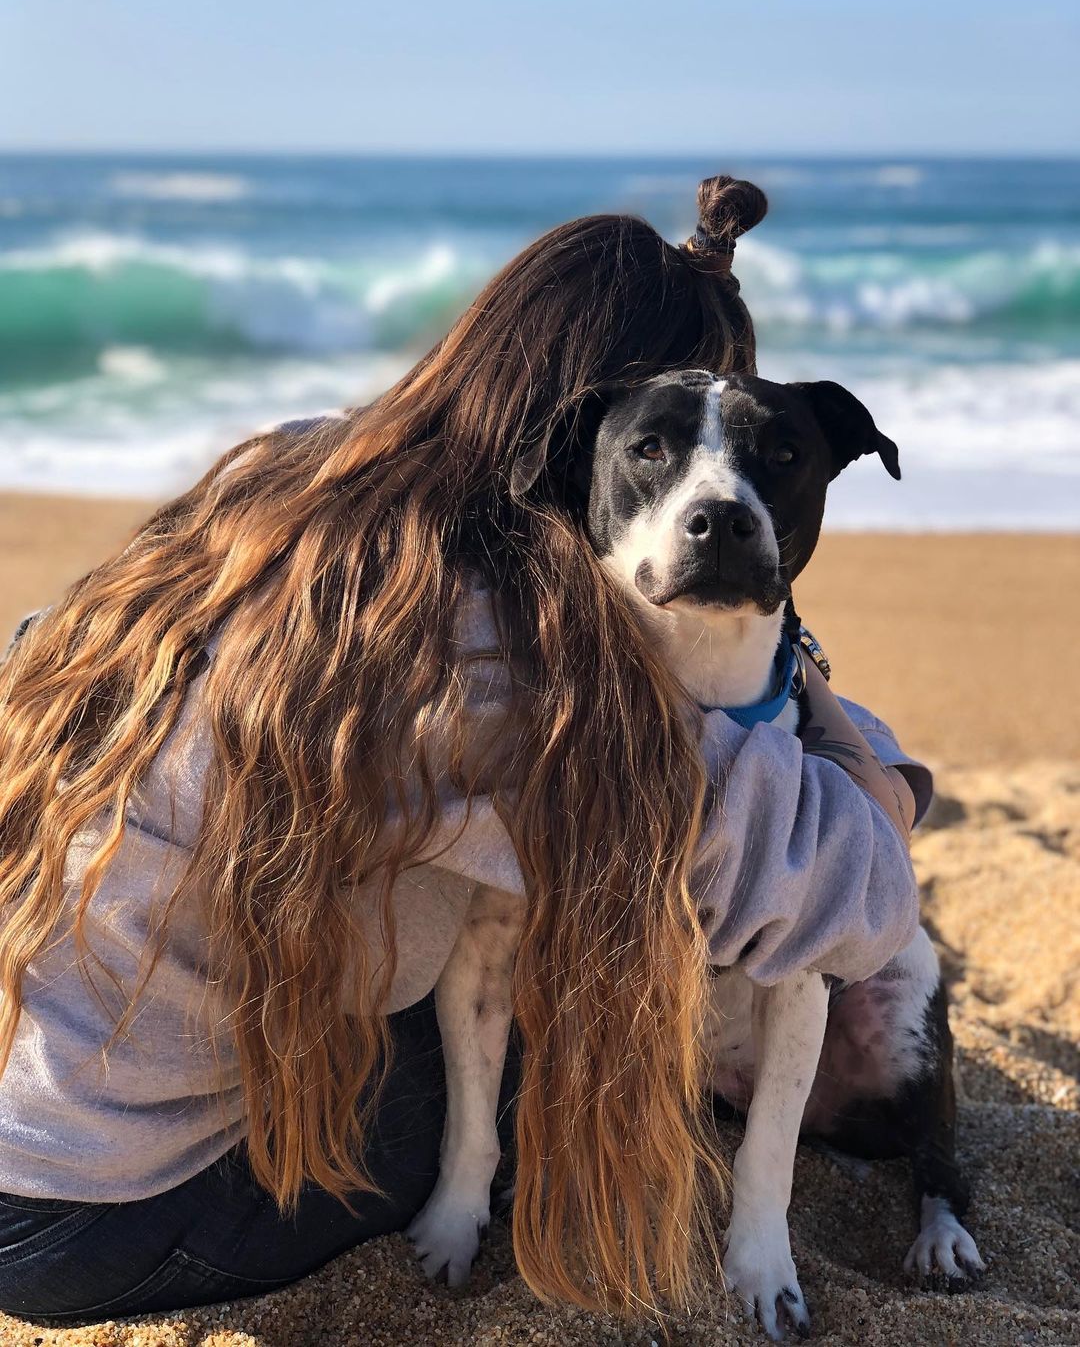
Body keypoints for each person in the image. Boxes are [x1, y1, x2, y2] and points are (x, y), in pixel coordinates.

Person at [0, 176, 926, 1326]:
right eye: (660, 441)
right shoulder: (501, 661)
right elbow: (857, 899)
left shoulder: (289, 475)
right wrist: (864, 760)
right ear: (580, 444)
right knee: (588, 1029)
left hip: (37, 1076)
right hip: (97, 1206)